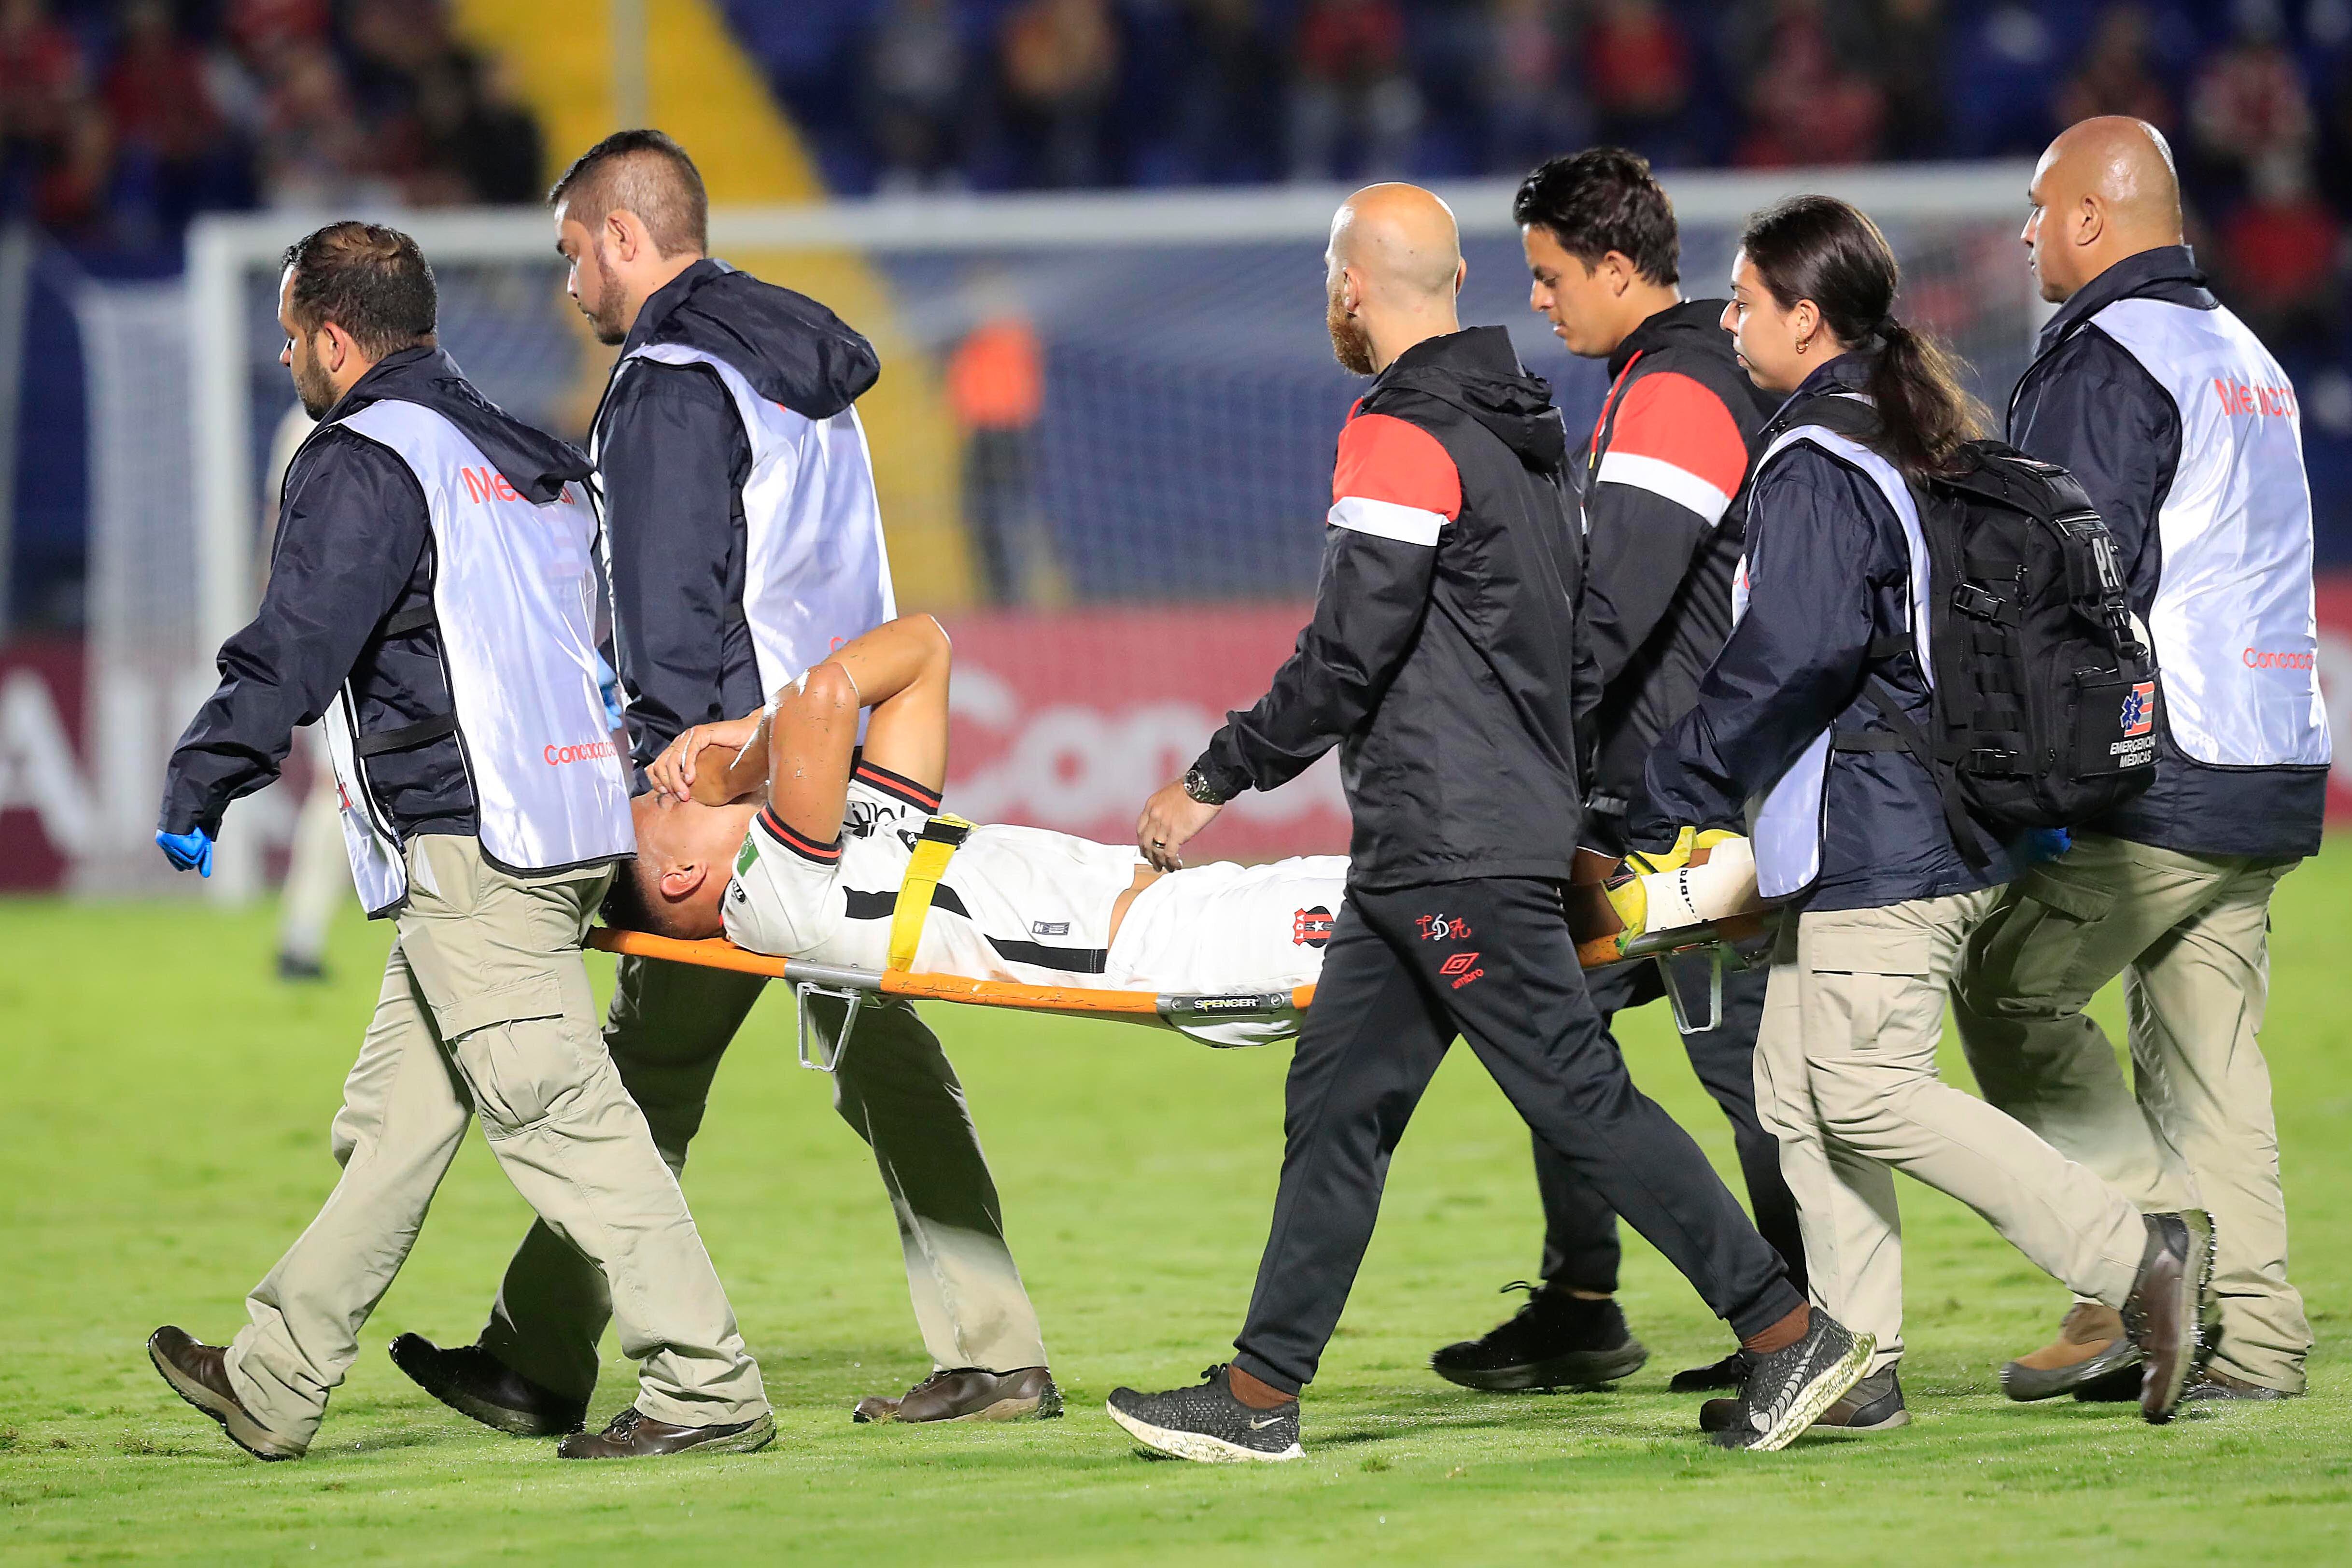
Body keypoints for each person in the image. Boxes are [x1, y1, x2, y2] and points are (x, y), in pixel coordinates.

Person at [1101, 183, 1867, 1463]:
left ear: (1351, 289)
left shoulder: (1401, 429)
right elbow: (1564, 641)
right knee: (1339, 1102)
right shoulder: (1527, 426)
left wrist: (1214, 777)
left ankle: (1787, 1333)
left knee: (1577, 1095)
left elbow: (1349, 651)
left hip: (1452, 842)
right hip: (1446, 838)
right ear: (1458, 282)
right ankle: (1261, 1393)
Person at [383, 131, 1061, 1434]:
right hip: (845, 757)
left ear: (625, 238)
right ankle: (546, 1351)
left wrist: (665, 777)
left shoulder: (669, 383)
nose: (570, 285)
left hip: (743, 786)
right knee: (797, 1049)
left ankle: (571, 1362)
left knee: (671, 1060)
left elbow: (670, 603)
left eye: (574, 253)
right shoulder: (797, 360)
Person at [145, 221, 773, 1462]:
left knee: (567, 1122)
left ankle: (709, 1389)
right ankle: (277, 1372)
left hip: (478, 847)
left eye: (290, 339)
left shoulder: (362, 456)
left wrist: (203, 774)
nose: (286, 361)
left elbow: (299, 640)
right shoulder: (521, 448)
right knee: (398, 1122)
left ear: (336, 340)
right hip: (565, 826)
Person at [1642, 193, 2212, 1435]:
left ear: (1806, 319)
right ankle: (1857, 1361)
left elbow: (1798, 650)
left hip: (1882, 833)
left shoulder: (1819, 455)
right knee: (1798, 1092)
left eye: (1744, 300)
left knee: (1862, 1088)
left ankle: (2134, 1254)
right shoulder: (1904, 431)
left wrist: (1675, 782)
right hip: (1906, 824)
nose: (1729, 320)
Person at [1955, 116, 2330, 1405]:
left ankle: (2140, 1267)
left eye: (2038, 206)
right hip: (2271, 757)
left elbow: (2063, 572)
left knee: (2007, 989)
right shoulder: (2247, 355)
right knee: (2208, 1061)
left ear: (2091, 218)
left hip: (2162, 767)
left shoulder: (2109, 357)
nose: (2024, 232)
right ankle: (2259, 1343)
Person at [1432, 145, 1802, 1399]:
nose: (1539, 301)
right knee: (1557, 1032)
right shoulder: (1676, 373)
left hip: (1680, 802)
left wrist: (1522, 740)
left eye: (1550, 276)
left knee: (1739, 1062)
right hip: (1662, 790)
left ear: (1615, 266)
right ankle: (1584, 1302)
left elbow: (1614, 612)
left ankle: (1810, 1322)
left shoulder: (1677, 389)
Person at [607, 613, 1346, 1035]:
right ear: (682, 877)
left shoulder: (830, 853)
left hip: (1212, 903)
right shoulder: (771, 894)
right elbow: (824, 698)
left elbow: (925, 647)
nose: (679, 785)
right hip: (1189, 949)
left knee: (1419, 906)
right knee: (1417, 933)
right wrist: (735, 759)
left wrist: (752, 747)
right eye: (666, 803)